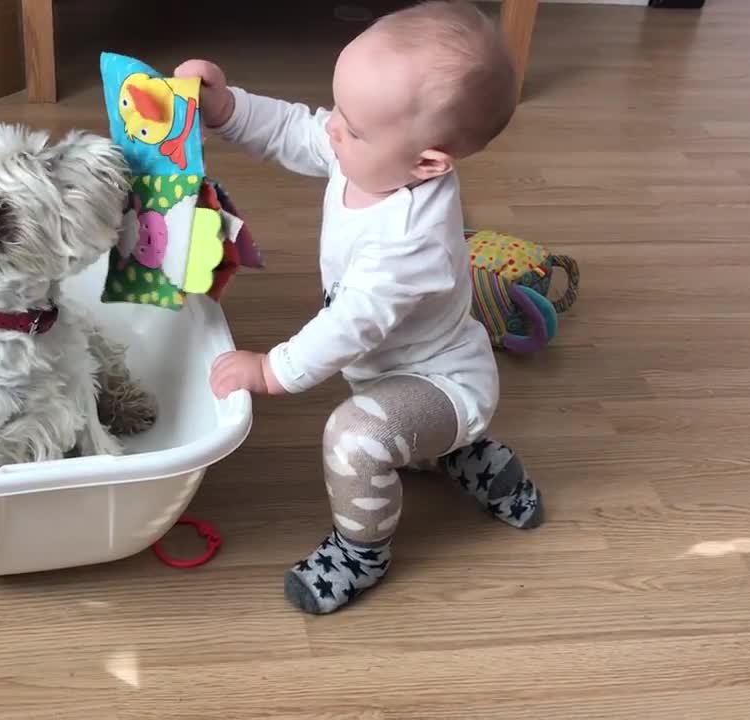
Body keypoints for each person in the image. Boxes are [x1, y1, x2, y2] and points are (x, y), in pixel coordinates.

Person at [177, 0, 543, 614]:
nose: (331, 129)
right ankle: (473, 462)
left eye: (352, 125)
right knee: (390, 420)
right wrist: (226, 108)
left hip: (443, 383)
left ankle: (362, 552)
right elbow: (297, 129)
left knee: (356, 437)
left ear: (428, 162)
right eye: (338, 109)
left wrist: (273, 370)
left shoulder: (409, 240)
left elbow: (352, 324)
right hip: (393, 372)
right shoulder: (376, 157)